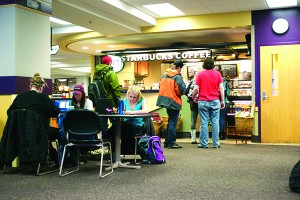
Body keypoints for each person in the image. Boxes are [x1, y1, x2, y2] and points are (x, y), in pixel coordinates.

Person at [6, 73, 60, 166]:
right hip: (39, 131)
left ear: (30, 86)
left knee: (40, 137)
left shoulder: (20, 97)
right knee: (59, 134)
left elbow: (9, 112)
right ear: (41, 87)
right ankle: (64, 161)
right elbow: (55, 112)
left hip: (20, 132)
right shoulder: (43, 97)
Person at [192, 57, 225, 149]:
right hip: (215, 101)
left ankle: (204, 143)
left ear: (204, 64)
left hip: (203, 101)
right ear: (213, 64)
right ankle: (216, 143)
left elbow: (195, 89)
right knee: (215, 122)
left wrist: (194, 97)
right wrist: (222, 100)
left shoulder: (200, 74)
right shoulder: (218, 74)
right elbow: (221, 88)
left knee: (204, 122)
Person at [156, 60, 186, 149]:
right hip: (174, 101)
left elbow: (160, 86)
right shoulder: (177, 77)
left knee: (170, 121)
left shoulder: (164, 74)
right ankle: (171, 142)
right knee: (173, 122)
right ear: (179, 68)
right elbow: (181, 91)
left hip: (165, 100)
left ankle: (167, 142)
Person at [94, 55, 121, 132]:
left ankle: (105, 141)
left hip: (99, 102)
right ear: (110, 63)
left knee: (102, 124)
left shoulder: (96, 74)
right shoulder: (111, 73)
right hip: (110, 103)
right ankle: (114, 141)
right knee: (115, 122)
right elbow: (116, 88)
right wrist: (118, 101)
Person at [185, 71, 199, 144]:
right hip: (201, 102)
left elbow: (185, 92)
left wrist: (190, 98)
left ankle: (193, 139)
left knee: (193, 120)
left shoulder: (191, 83)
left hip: (192, 102)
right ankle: (203, 138)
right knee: (204, 120)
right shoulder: (201, 82)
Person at [218, 70, 231, 140]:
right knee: (222, 117)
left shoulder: (216, 81)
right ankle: (222, 134)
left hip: (216, 101)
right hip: (224, 102)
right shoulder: (225, 82)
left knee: (216, 118)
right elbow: (228, 93)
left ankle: (218, 134)